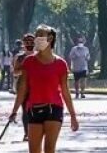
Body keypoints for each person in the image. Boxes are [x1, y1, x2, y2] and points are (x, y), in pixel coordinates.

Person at [10, 25, 79, 153]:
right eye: (37, 35)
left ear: (50, 38)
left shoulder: (60, 63)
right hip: (34, 109)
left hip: (54, 109)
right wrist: (14, 110)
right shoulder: (28, 62)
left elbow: (65, 91)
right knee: (34, 150)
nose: (38, 38)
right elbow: (23, 88)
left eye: (41, 35)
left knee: (49, 149)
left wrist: (73, 116)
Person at [12, 33, 35, 142]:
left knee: (34, 110)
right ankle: (27, 133)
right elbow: (15, 72)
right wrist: (25, 70)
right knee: (25, 110)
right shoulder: (19, 57)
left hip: (36, 86)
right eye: (27, 42)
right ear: (23, 44)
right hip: (22, 86)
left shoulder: (38, 56)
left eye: (31, 42)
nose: (29, 44)